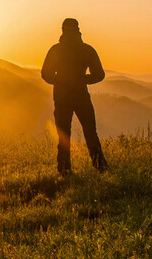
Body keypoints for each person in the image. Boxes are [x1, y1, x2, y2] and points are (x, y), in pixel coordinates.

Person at [41, 18, 106, 174]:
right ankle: (100, 167)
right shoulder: (87, 50)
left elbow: (46, 74)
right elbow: (99, 75)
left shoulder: (56, 50)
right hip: (81, 95)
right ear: (78, 30)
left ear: (62, 30)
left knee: (63, 134)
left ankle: (64, 170)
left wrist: (61, 80)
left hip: (61, 96)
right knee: (90, 132)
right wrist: (82, 79)